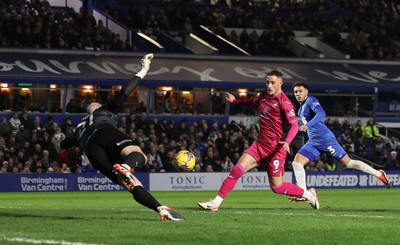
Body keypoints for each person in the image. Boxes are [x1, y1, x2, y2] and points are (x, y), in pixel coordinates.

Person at [58, 54, 184, 221]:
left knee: (129, 183)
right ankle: (126, 166)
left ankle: (159, 207)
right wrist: (143, 70)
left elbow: (61, 145)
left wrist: (58, 141)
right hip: (104, 132)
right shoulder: (104, 111)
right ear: (98, 107)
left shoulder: (79, 128)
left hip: (92, 152)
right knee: (139, 155)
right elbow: (124, 92)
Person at [197, 70, 320, 211]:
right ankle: (216, 203)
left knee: (277, 188)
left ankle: (308, 195)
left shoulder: (284, 103)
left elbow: (293, 125)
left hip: (275, 150)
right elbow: (252, 102)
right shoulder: (264, 95)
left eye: (272, 83)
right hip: (259, 146)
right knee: (237, 170)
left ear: (280, 83)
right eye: (267, 82)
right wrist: (236, 101)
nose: (269, 85)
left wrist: (287, 141)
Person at [289, 82, 391, 202]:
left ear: (307, 91)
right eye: (296, 92)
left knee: (348, 163)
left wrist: (307, 125)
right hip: (313, 142)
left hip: (325, 140)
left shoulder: (311, 100)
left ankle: (379, 174)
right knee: (297, 163)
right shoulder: (301, 109)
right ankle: (304, 194)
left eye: (300, 91)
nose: (298, 94)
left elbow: (321, 113)